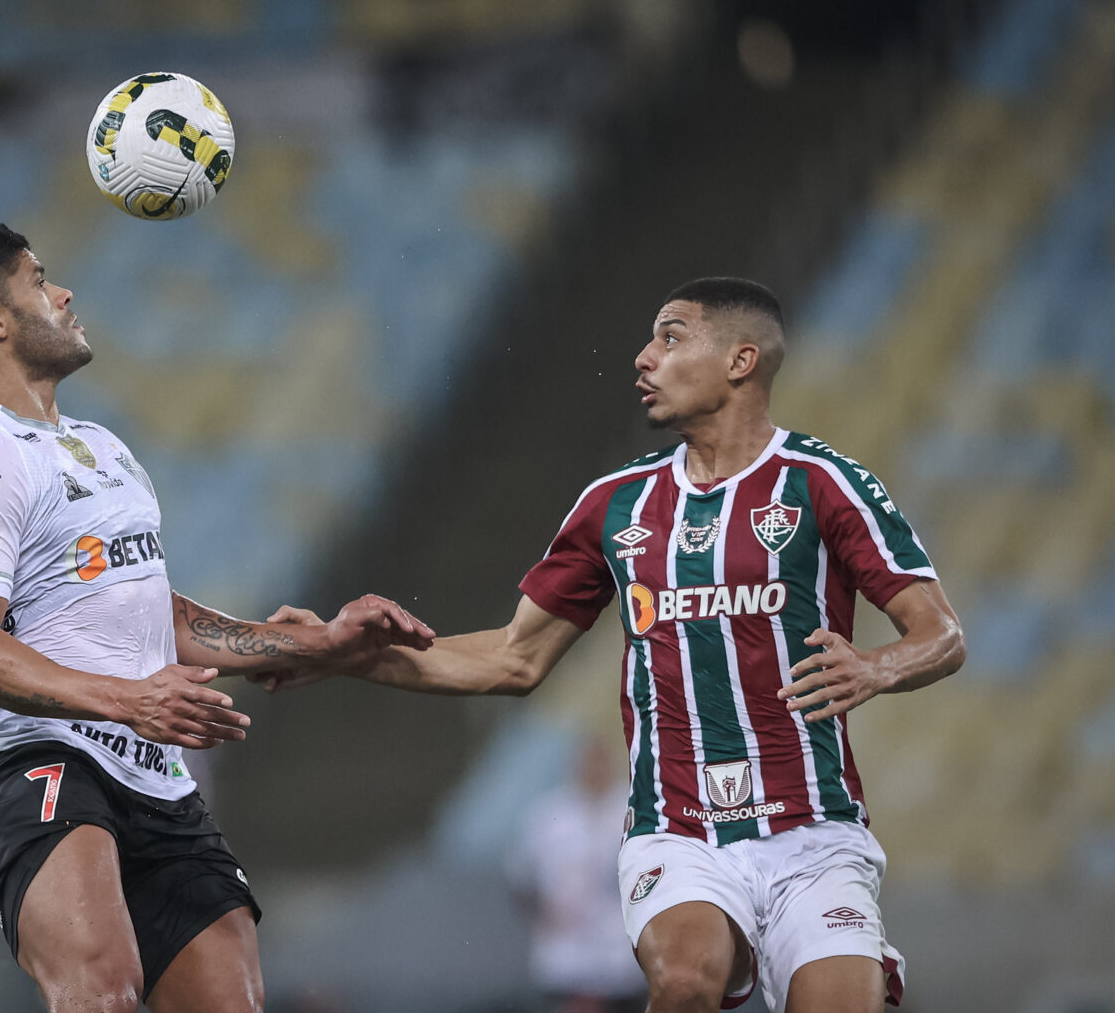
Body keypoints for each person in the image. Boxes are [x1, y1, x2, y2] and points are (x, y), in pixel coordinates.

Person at [260, 277, 965, 1012]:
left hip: (815, 833)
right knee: (686, 979)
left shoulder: (824, 485)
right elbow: (513, 656)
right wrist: (344, 654)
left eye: (670, 337)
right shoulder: (615, 503)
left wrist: (879, 664)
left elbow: (941, 633)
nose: (642, 359)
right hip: (679, 828)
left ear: (741, 360)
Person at [0, 222, 433, 1013]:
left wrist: (313, 640)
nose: (64, 292)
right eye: (39, 280)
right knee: (102, 991)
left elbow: (157, 614)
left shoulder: (99, 448)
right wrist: (129, 699)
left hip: (151, 770)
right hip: (37, 761)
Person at [509, 733, 648, 1013]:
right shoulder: (548, 812)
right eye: (588, 760)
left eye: (600, 761)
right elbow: (519, 878)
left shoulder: (633, 812)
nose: (594, 768)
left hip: (620, 954)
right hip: (562, 953)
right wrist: (544, 909)